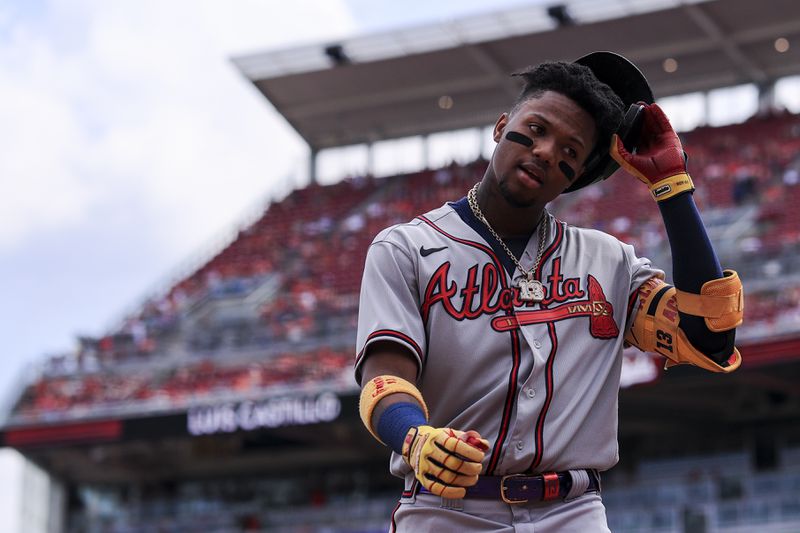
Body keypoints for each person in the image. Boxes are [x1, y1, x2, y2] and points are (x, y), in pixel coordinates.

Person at [354, 55, 744, 531]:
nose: (544, 150)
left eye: (569, 150)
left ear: (576, 174)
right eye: (535, 128)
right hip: (446, 511)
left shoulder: (611, 263)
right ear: (501, 126)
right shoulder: (408, 248)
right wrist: (414, 437)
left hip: (573, 512)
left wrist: (672, 186)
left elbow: (708, 338)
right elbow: (383, 380)